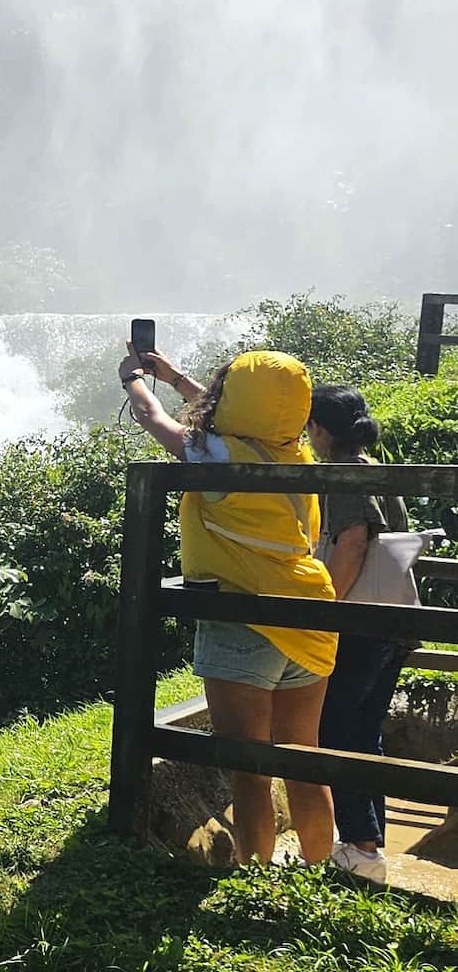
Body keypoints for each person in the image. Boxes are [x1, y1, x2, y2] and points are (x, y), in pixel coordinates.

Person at [118, 343, 337, 866]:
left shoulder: (221, 455)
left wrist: (135, 382)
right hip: (311, 613)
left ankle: (257, 879)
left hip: (244, 616)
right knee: (303, 759)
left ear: (235, 398)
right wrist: (175, 378)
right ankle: (320, 878)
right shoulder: (294, 451)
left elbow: (155, 419)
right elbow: (247, 418)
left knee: (250, 771)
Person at [307, 385, 411, 884]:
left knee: (335, 728)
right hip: (394, 621)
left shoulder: (342, 475)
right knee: (364, 730)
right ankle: (370, 843)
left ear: (320, 430)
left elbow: (351, 542)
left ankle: (362, 848)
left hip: (359, 623)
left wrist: (327, 608)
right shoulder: (374, 466)